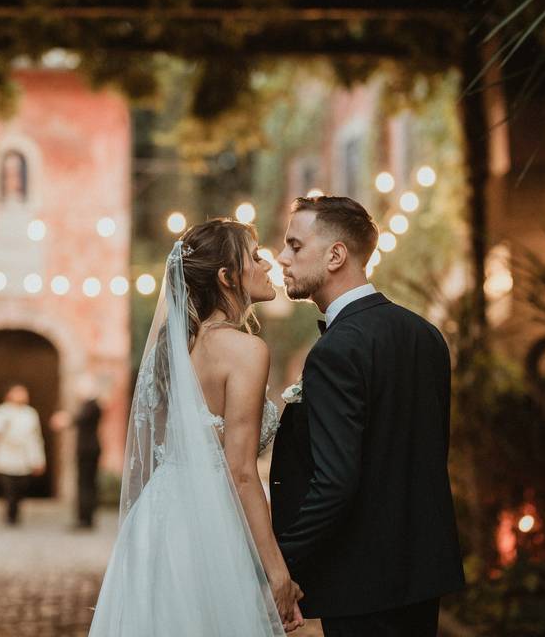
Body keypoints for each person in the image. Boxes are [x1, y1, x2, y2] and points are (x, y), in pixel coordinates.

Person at [89, 219, 305, 636]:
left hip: (157, 519)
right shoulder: (245, 350)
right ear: (227, 277)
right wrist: (277, 572)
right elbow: (240, 471)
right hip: (210, 524)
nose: (267, 265)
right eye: (255, 257)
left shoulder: (173, 349)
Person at [270, 196, 465, 636]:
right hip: (421, 575)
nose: (282, 258)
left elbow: (335, 480)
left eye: (295, 246)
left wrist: (280, 561)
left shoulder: (335, 351)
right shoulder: (426, 335)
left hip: (362, 583)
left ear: (336, 255)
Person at [0, 384, 46, 525]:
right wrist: (3, 425)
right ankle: (10, 515)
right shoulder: (0, 411)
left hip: (24, 456)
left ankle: (16, 511)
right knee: (8, 486)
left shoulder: (30, 413)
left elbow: (35, 438)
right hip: (6, 455)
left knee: (21, 487)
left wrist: (38, 459)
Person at [73, 375, 103, 529]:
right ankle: (84, 516)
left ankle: (86, 518)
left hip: (88, 449)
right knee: (85, 483)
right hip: (88, 449)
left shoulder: (92, 405)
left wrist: (66, 420)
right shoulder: (90, 405)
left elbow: (79, 419)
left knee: (86, 484)